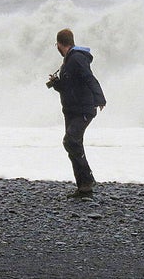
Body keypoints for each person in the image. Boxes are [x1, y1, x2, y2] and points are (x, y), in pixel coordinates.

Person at [48, 28, 106, 197]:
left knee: (70, 141)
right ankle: (83, 187)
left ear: (59, 44)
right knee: (74, 144)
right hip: (72, 110)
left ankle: (87, 180)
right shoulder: (68, 61)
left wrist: (99, 98)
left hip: (84, 109)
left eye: (57, 45)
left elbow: (89, 77)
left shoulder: (77, 58)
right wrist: (56, 83)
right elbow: (68, 87)